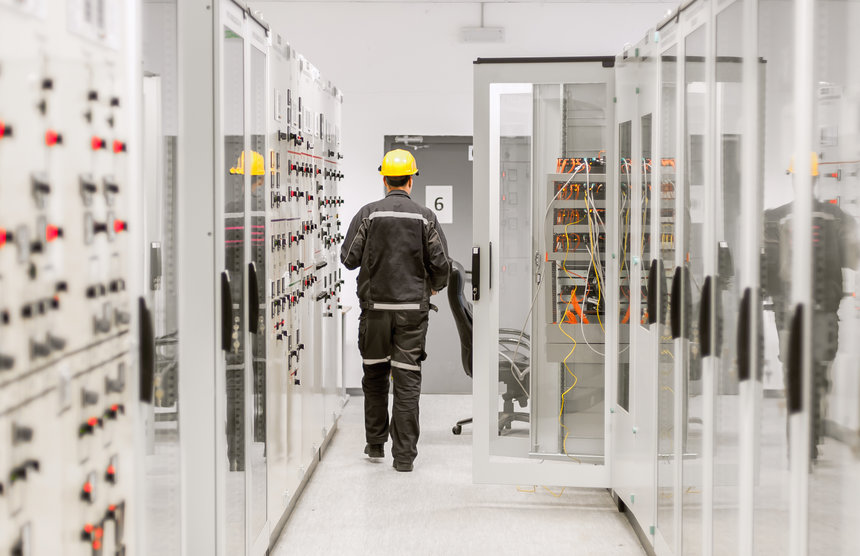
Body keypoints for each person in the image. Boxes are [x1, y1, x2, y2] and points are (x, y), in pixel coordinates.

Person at [340, 149, 450, 472]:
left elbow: (348, 259)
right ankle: (403, 458)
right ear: (411, 181)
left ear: (384, 179)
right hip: (412, 314)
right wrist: (433, 286)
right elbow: (442, 264)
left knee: (374, 376)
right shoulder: (425, 217)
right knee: (407, 380)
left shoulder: (367, 214)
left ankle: (375, 445)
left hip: (375, 312)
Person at [763, 153, 859, 460]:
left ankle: (801, 438)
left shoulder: (773, 217)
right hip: (824, 310)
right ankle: (810, 434)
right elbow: (853, 259)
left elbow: (765, 266)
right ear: (816, 179)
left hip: (788, 311)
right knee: (819, 370)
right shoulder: (839, 218)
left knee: (795, 370)